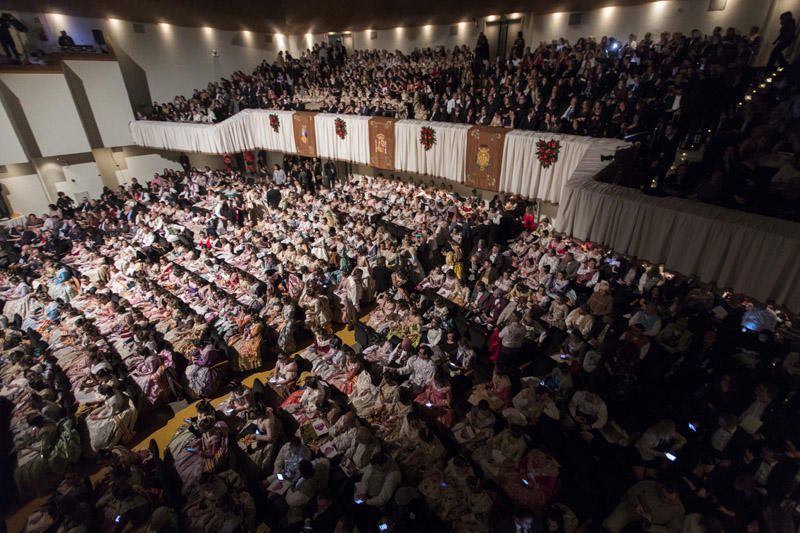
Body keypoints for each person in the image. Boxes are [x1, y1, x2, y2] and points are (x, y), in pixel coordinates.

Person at [603, 480, 685, 533]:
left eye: (669, 500)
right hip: (630, 510)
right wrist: (636, 505)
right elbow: (631, 492)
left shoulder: (678, 510)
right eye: (663, 496)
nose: (665, 501)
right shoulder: (650, 484)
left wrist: (651, 527)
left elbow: (670, 530)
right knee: (609, 527)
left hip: (647, 527)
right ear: (662, 488)